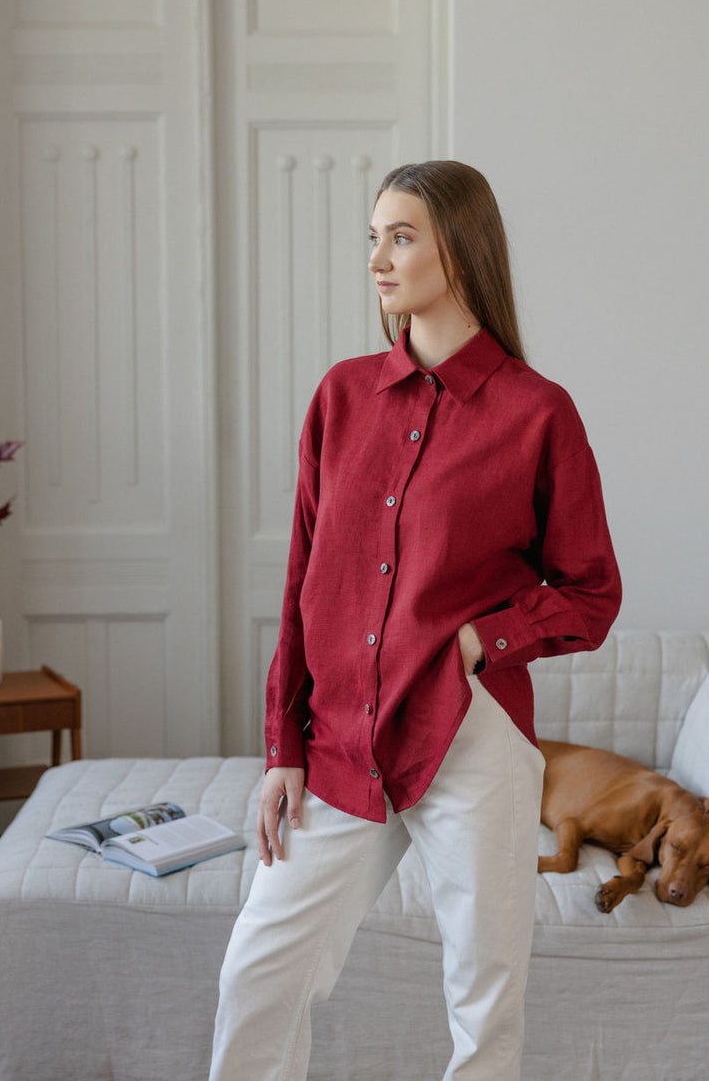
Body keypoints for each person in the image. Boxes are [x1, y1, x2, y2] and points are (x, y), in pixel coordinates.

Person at [209, 160, 621, 1081]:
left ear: (461, 252)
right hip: (342, 741)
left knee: (484, 1000)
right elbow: (305, 582)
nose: (377, 260)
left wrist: (479, 640)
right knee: (259, 973)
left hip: (469, 736)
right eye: (374, 238)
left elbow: (591, 590)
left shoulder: (538, 414)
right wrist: (282, 746)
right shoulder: (341, 397)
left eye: (401, 238)